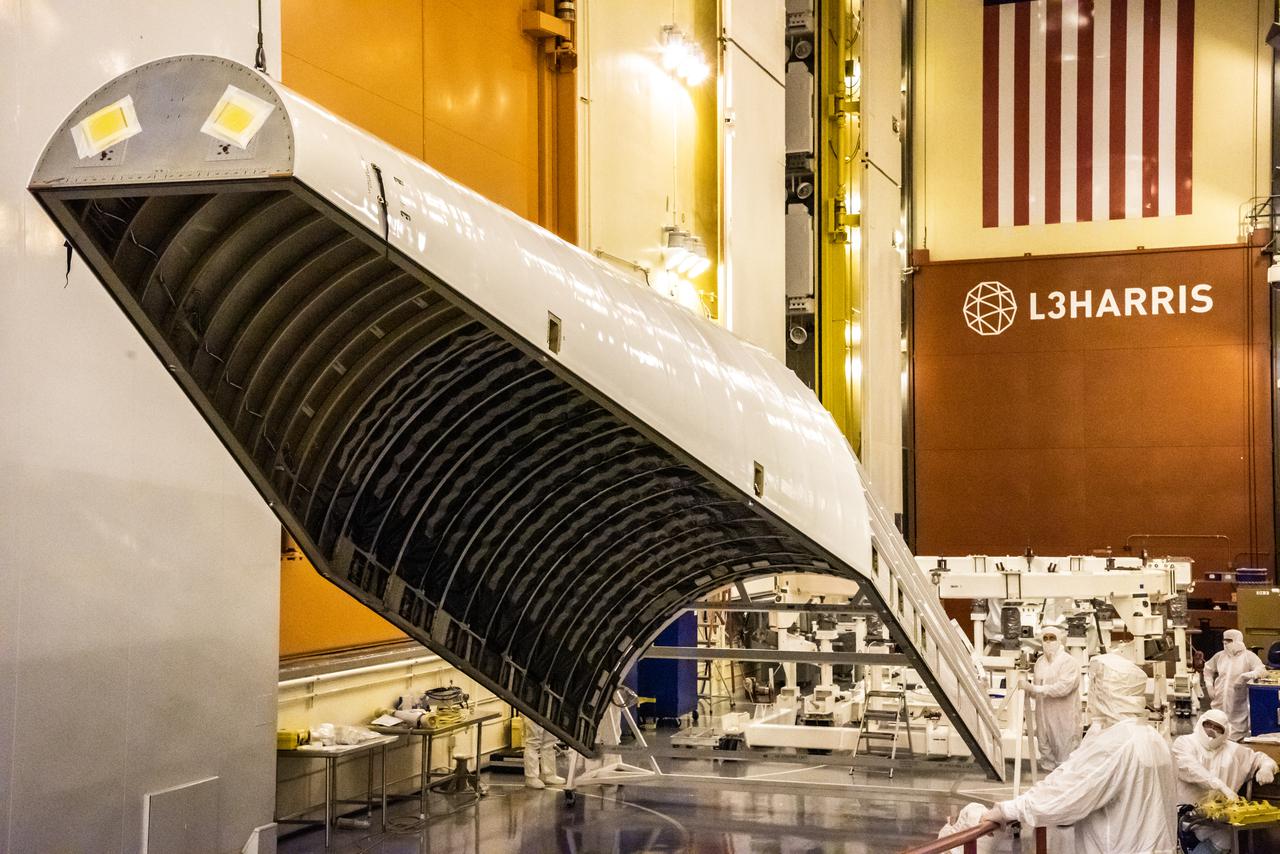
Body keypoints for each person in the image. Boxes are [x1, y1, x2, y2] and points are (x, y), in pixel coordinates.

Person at [982, 653, 1177, 854]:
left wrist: (1008, 810)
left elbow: (1068, 791)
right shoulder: (1153, 737)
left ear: (1106, 691)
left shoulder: (1116, 742)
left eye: (1095, 685)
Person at [1172, 709, 1277, 852]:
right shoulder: (1184, 743)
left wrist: (1267, 767)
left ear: (1225, 732)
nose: (1211, 731)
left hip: (1221, 822)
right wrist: (1219, 786)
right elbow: (1191, 768)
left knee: (1224, 841)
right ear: (1200, 723)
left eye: (1217, 728)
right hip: (1189, 819)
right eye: (1208, 725)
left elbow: (1260, 758)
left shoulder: (1233, 751)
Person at [1027, 621, 1081, 771]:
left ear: (1059, 640)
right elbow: (1036, 688)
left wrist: (1036, 688)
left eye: (1052, 638)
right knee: (1046, 753)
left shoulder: (1068, 662)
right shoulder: (1040, 662)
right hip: (1043, 717)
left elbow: (1064, 688)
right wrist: (1028, 689)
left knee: (1065, 758)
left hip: (1063, 718)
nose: (1049, 641)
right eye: (1046, 638)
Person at [1203, 629, 1265, 740]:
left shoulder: (1248, 656)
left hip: (1238, 703)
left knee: (1235, 735)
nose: (1225, 644)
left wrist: (1245, 676)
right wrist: (1209, 686)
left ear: (1237, 640)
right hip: (1219, 700)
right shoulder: (1220, 656)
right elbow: (1207, 669)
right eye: (1224, 641)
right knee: (1217, 731)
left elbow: (1262, 671)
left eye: (1229, 641)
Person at [523, 718, 565, 789]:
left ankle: (548, 774)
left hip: (549, 711)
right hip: (534, 710)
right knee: (533, 742)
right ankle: (531, 777)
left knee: (549, 741)